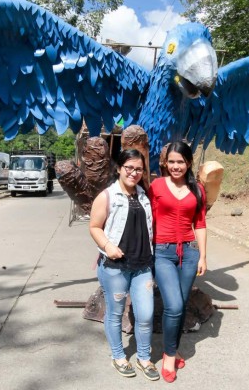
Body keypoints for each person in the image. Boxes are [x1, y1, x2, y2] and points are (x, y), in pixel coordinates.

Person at [89, 149, 160, 381]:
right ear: (119, 168)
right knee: (116, 312)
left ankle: (143, 357)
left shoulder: (144, 195)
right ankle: (118, 355)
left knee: (146, 314)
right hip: (115, 267)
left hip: (142, 266)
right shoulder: (107, 196)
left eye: (139, 169)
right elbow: (94, 227)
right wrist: (108, 246)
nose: (134, 172)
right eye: (129, 167)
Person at [148, 141, 207, 383]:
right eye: (171, 161)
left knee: (180, 306)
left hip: (190, 252)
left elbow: (200, 223)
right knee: (173, 305)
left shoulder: (197, 189)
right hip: (162, 252)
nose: (175, 166)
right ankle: (169, 356)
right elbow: (148, 218)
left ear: (189, 163)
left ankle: (172, 349)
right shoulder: (157, 185)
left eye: (180, 161)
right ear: (165, 163)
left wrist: (203, 255)